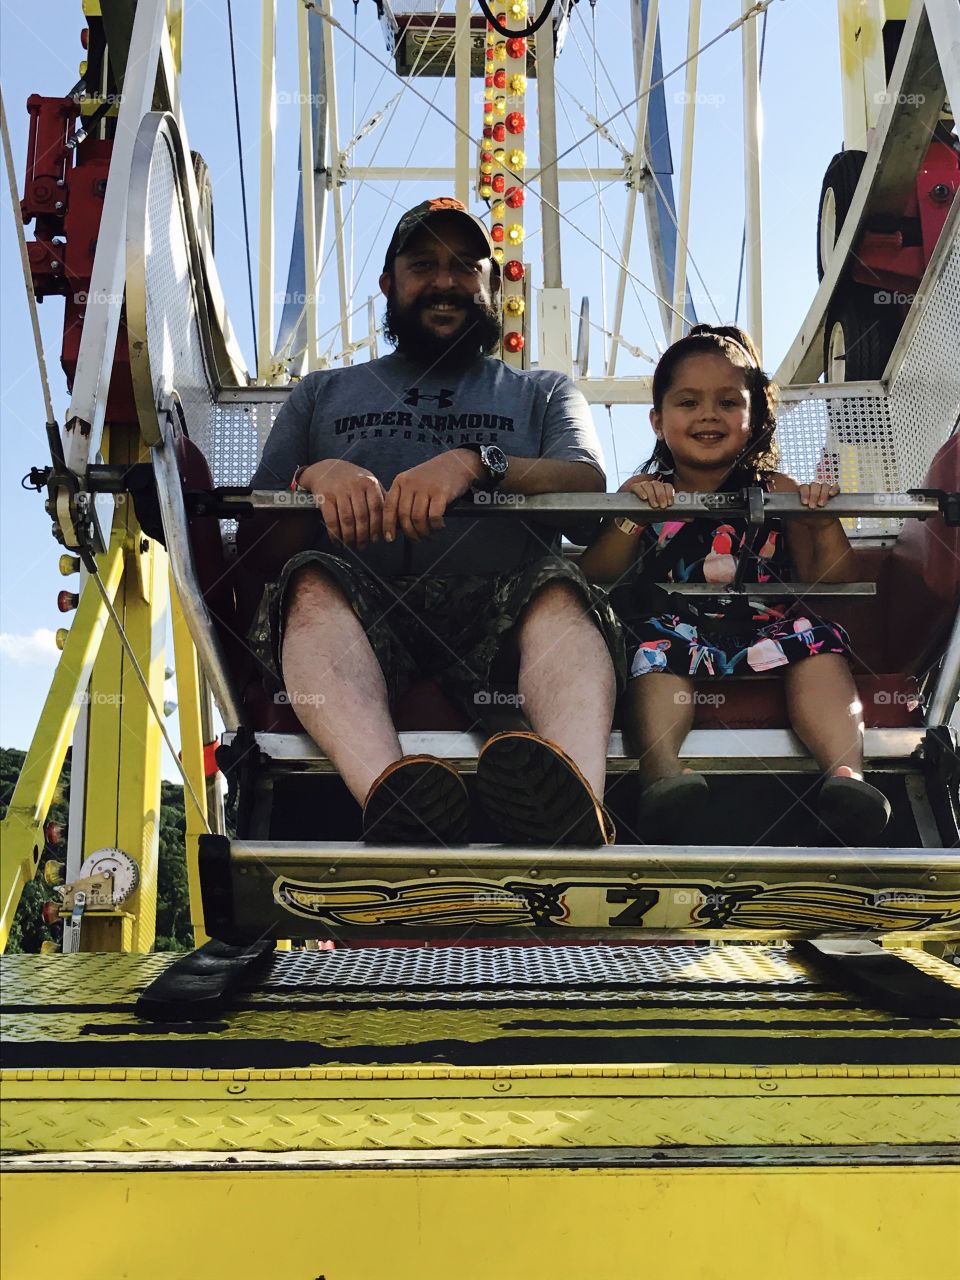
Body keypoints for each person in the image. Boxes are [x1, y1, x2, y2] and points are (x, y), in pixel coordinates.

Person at [240, 197, 625, 847]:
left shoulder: (545, 392)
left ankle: (575, 809)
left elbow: (588, 492)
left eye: (465, 266)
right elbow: (257, 544)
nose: (445, 282)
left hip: (504, 611)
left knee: (561, 587)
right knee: (308, 583)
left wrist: (478, 463)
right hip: (363, 607)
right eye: (423, 265)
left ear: (493, 285)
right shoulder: (320, 393)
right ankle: (397, 801)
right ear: (388, 284)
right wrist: (312, 478)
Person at [578, 323, 891, 843]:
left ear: (754, 419)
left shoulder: (780, 492)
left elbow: (832, 582)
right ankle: (661, 772)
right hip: (677, 628)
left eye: (727, 402)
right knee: (651, 649)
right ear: (658, 421)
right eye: (688, 402)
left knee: (819, 643)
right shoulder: (647, 496)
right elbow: (595, 579)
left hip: (767, 630)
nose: (707, 415)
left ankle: (845, 774)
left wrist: (819, 520)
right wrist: (628, 517)